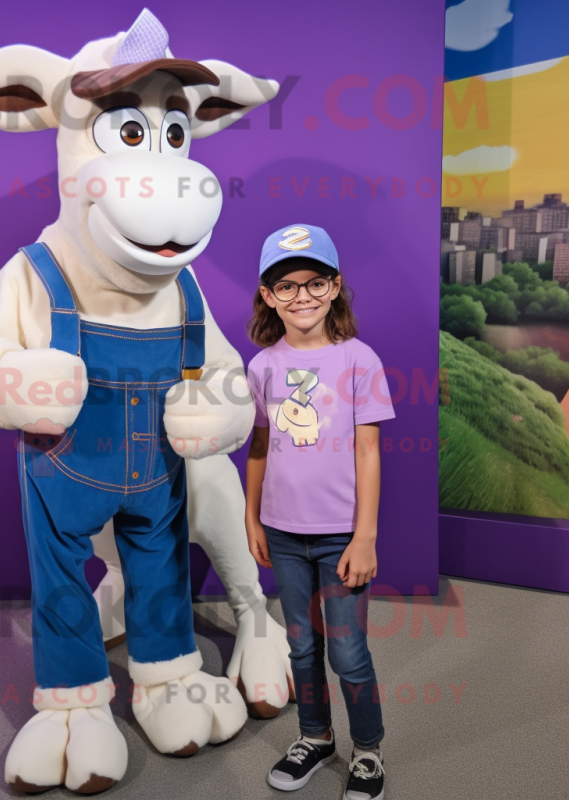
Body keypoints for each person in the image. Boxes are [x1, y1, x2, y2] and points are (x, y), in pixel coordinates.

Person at [244, 224, 395, 799]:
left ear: (335, 287)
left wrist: (365, 537)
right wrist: (254, 519)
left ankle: (368, 750)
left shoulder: (359, 360)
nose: (301, 296)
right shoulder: (260, 367)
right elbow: (258, 446)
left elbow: (368, 450)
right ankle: (316, 736)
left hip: (340, 539)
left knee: (348, 651)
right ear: (267, 295)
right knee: (301, 646)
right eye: (286, 286)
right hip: (283, 536)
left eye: (314, 283)